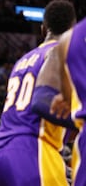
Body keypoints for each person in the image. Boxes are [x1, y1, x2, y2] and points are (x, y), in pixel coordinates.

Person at [0, 0, 77, 186]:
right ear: (73, 30)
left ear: (43, 29)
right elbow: (42, 102)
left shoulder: (22, 61)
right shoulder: (61, 53)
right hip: (32, 151)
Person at [32, 16, 86, 185]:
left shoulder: (25, 59)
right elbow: (40, 101)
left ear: (44, 28)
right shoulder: (62, 48)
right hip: (39, 150)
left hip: (3, 144)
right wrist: (78, 121)